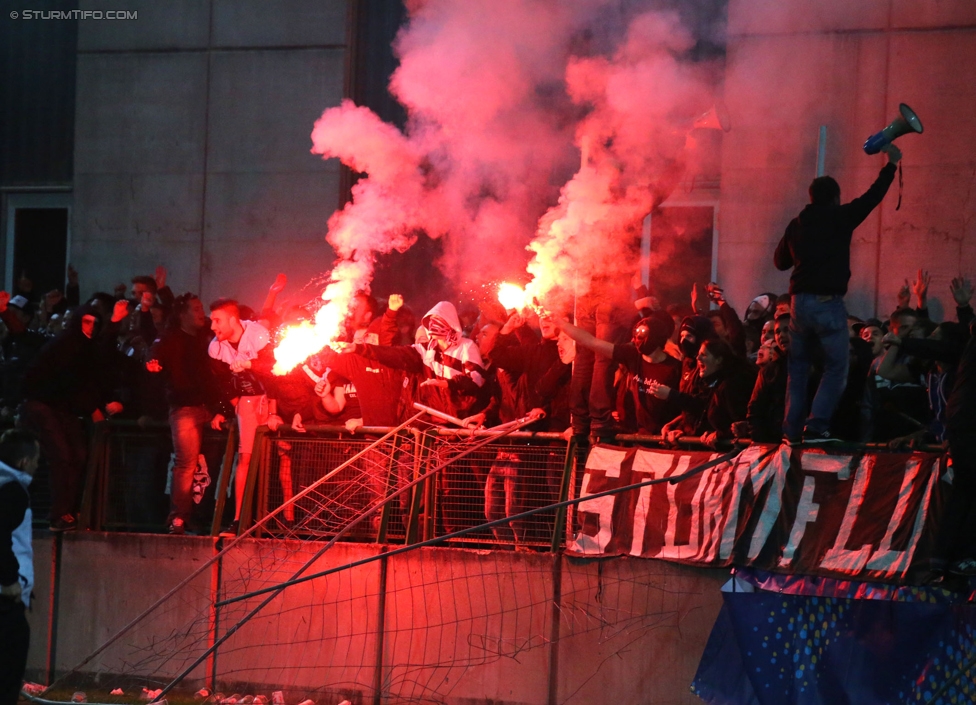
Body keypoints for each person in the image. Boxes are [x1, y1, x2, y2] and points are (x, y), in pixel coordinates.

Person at [774, 142, 901, 442]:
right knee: (836, 366)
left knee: (798, 370)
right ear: (835, 198)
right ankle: (816, 425)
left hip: (797, 305)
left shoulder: (796, 224)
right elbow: (871, 198)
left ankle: (790, 431)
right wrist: (891, 165)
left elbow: (780, 262)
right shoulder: (840, 217)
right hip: (826, 304)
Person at [20, 301, 128, 530]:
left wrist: (115, 321)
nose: (89, 327)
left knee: (77, 455)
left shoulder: (80, 347)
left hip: (61, 407)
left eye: (94, 324)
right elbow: (70, 380)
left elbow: (98, 355)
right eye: (86, 322)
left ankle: (68, 511)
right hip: (44, 404)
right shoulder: (67, 344)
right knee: (63, 456)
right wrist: (92, 408)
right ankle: (60, 514)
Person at [146, 294, 227, 534]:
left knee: (220, 463)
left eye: (202, 307)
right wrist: (152, 363)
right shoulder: (171, 338)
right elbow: (154, 353)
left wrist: (221, 408)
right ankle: (178, 517)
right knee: (186, 463)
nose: (202, 313)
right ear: (182, 314)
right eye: (196, 309)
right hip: (185, 409)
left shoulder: (207, 337)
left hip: (214, 409)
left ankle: (218, 516)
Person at [207, 299, 274, 533]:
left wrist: (250, 365)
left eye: (217, 320)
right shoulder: (215, 347)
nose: (213, 326)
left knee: (277, 459)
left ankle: (280, 520)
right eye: (211, 320)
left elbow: (275, 369)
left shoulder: (258, 334)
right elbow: (223, 384)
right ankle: (239, 519)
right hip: (246, 401)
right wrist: (230, 407)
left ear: (233, 320)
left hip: (271, 399)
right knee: (244, 458)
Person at [554, 311, 680, 435]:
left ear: (656, 337)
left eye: (643, 333)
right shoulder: (632, 355)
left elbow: (688, 406)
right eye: (636, 332)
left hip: (663, 437)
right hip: (638, 434)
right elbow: (590, 341)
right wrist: (559, 323)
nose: (637, 338)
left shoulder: (675, 368)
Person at [0, 430, 40, 705]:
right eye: (37, 460)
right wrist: (11, 580)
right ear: (25, 461)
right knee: (8, 675)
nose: (38, 466)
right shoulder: (12, 489)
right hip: (5, 599)